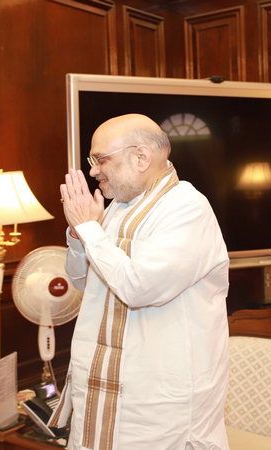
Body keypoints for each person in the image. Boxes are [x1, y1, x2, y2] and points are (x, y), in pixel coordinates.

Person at [50, 114, 230, 450]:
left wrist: (90, 230)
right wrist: (79, 233)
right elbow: (80, 279)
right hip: (101, 387)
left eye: (101, 159)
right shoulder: (116, 207)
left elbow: (138, 288)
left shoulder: (187, 208)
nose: (93, 171)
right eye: (91, 161)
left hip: (157, 404)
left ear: (141, 157)